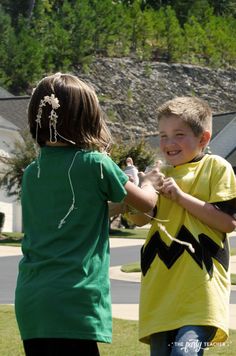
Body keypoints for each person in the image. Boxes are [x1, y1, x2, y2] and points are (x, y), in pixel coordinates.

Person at [14, 72, 163, 356]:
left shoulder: (33, 172)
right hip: (75, 297)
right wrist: (149, 182)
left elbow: (71, 218)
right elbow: (146, 204)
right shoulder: (97, 164)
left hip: (32, 299)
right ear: (87, 119)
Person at [127, 96, 236, 355]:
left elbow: (228, 222)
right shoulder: (157, 173)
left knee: (184, 352)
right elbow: (140, 219)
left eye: (178, 134)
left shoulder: (216, 167)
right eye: (163, 135)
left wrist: (181, 197)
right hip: (160, 292)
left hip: (199, 293)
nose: (169, 143)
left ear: (203, 139)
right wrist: (137, 186)